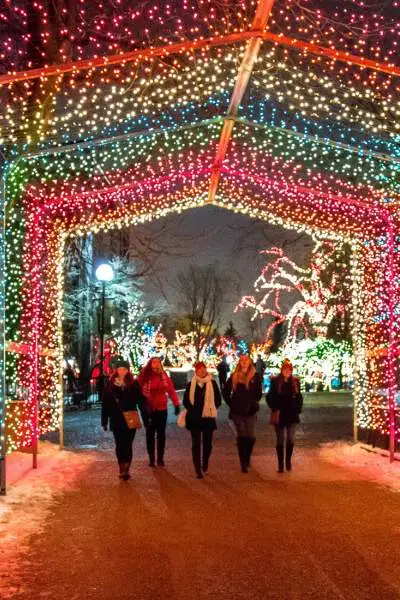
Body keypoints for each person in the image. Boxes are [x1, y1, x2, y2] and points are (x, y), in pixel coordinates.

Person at [101, 359, 148, 480]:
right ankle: (121, 466)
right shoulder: (110, 385)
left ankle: (126, 468)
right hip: (116, 419)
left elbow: (141, 402)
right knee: (119, 444)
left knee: (128, 444)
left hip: (130, 419)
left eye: (124, 369)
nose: (122, 372)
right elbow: (105, 404)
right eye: (120, 369)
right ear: (116, 370)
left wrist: (146, 418)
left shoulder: (134, 384)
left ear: (128, 371)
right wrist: (104, 420)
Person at [138, 357, 180, 467]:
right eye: (154, 362)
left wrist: (176, 404)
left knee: (161, 434)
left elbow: (171, 390)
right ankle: (152, 459)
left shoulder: (164, 376)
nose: (156, 365)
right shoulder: (145, 376)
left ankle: (160, 458)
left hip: (162, 409)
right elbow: (137, 389)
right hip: (148, 409)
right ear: (150, 364)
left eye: (158, 362)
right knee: (150, 434)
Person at [223, 355, 262, 473]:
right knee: (242, 436)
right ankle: (243, 463)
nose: (244, 362)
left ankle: (247, 457)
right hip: (237, 411)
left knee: (251, 437)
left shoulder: (255, 376)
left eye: (246, 360)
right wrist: (232, 403)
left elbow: (259, 393)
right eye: (242, 360)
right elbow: (225, 392)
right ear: (239, 363)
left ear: (250, 362)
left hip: (250, 410)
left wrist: (252, 402)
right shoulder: (234, 376)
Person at [183, 361, 222, 479]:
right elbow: (186, 401)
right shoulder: (191, 384)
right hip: (194, 419)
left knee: (208, 444)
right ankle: (197, 469)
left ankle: (205, 462)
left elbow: (218, 400)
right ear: (196, 371)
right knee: (196, 444)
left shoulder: (212, 383)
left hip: (208, 418)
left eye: (204, 369)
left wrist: (210, 409)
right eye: (199, 369)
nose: (202, 371)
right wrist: (193, 411)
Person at [266, 359, 303, 473]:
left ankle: (288, 461)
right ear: (281, 370)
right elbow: (270, 396)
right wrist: (275, 407)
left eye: (289, 370)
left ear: (291, 371)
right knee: (280, 440)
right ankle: (280, 464)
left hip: (292, 414)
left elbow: (299, 397)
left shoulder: (295, 382)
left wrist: (297, 409)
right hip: (280, 414)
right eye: (285, 369)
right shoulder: (276, 381)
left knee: (291, 439)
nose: (287, 371)